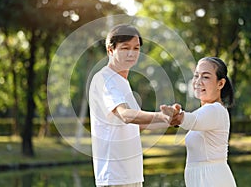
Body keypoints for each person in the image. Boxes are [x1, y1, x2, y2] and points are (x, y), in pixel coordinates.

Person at [89, 24, 180, 187]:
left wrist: (173, 119)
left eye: (136, 48)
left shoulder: (123, 83)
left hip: (131, 174)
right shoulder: (105, 79)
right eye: (125, 48)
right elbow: (125, 115)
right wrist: (160, 116)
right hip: (114, 175)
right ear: (111, 50)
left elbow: (139, 125)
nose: (131, 53)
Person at [161, 56, 237, 187]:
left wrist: (177, 116)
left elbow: (191, 120)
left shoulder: (215, 110)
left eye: (206, 77)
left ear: (220, 83)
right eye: (196, 76)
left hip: (213, 180)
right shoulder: (205, 110)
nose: (198, 81)